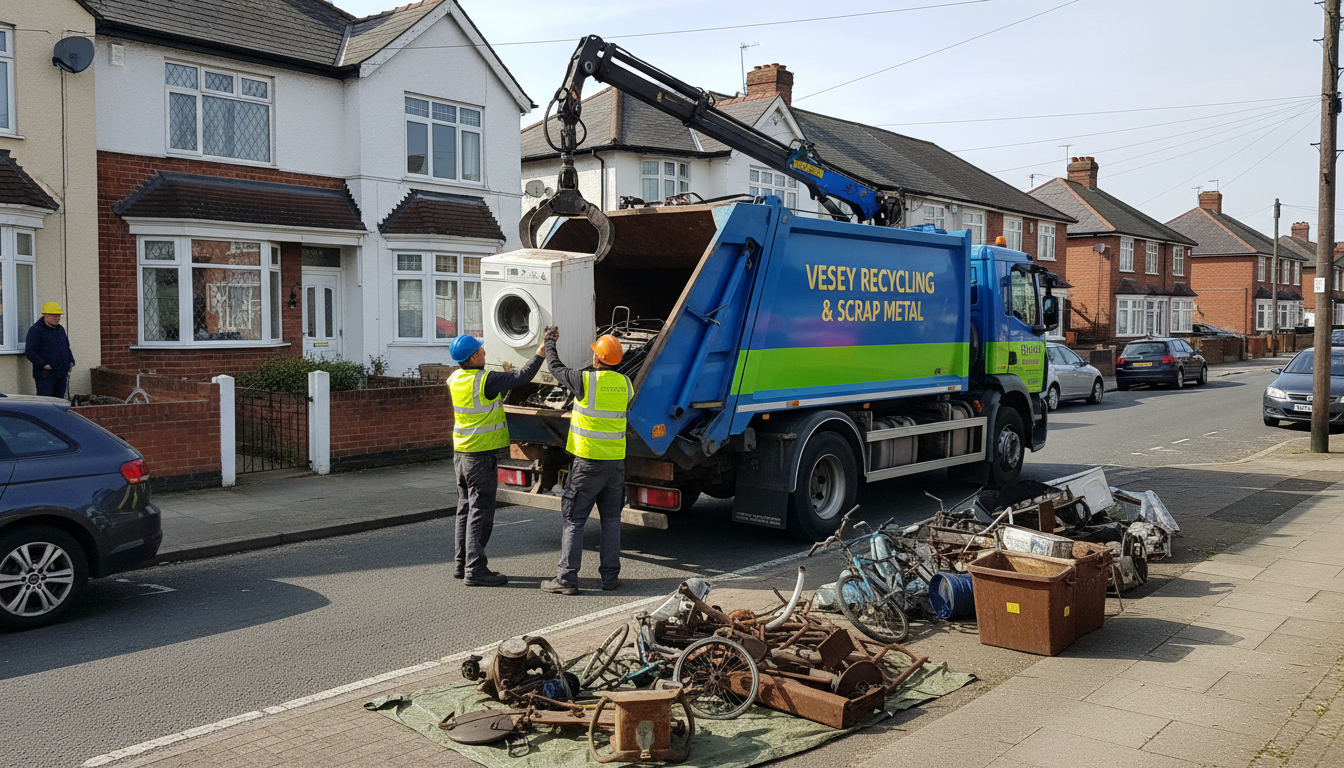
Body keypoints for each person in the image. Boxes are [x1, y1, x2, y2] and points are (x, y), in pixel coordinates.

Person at [447, 332, 544, 587]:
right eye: (481, 350)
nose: (485, 353)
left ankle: (462, 564)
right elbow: (522, 377)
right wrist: (541, 353)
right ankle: (476, 569)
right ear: (473, 356)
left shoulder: (455, 378)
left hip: (461, 454)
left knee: (465, 508)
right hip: (480, 456)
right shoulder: (484, 381)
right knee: (480, 511)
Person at [540, 328, 631, 595]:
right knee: (612, 520)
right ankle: (610, 579)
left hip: (588, 463)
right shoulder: (626, 384)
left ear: (597, 358)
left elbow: (555, 367)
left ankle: (566, 579)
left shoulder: (585, 382)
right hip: (614, 463)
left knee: (574, 520)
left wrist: (549, 341)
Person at [25, 302, 75, 398]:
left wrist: (71, 361)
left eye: (59, 315)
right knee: (45, 403)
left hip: (61, 374)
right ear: (45, 315)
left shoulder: (60, 329)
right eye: (54, 315)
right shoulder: (36, 330)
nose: (57, 318)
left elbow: (66, 348)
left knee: (59, 402)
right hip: (46, 376)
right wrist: (44, 364)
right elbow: (30, 351)